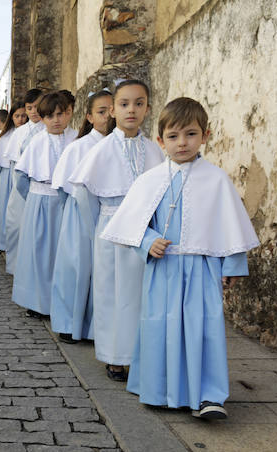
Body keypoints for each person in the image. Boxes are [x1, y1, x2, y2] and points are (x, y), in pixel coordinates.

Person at [102, 97, 259, 419]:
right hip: (164, 268)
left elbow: (231, 225)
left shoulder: (216, 179)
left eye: (190, 134)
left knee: (204, 329)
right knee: (160, 326)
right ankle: (160, 389)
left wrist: (231, 264)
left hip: (202, 268)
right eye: (173, 137)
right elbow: (133, 223)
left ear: (206, 135)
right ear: (161, 141)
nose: (182, 143)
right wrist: (147, 242)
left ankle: (208, 396)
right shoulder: (150, 180)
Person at [69, 79, 165, 381]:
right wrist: (100, 230)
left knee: (141, 294)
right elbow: (86, 197)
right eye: (124, 104)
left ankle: (140, 352)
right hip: (111, 229)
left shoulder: (154, 149)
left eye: (139, 103)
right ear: (112, 110)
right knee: (112, 292)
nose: (131, 110)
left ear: (147, 108)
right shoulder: (101, 150)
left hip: (146, 231)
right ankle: (114, 356)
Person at [49, 89, 113, 343]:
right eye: (101, 111)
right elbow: (64, 188)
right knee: (76, 268)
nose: (109, 115)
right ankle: (69, 322)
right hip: (80, 213)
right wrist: (73, 218)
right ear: (89, 116)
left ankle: (99, 327)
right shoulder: (80, 147)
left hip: (110, 215)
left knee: (105, 272)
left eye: (112, 110)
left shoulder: (121, 144)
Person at [11, 90, 77, 317]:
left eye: (61, 114)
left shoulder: (76, 140)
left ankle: (65, 303)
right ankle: (39, 302)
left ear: (69, 114)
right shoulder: (36, 141)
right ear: (43, 117)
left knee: (65, 253)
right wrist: (32, 201)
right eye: (50, 116)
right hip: (40, 201)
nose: (56, 120)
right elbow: (21, 177)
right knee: (40, 254)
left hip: (69, 202)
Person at [5, 89, 46, 273]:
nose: (33, 111)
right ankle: (16, 267)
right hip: (20, 186)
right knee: (16, 226)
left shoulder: (50, 129)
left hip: (42, 187)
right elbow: (14, 163)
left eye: (37, 107)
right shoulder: (19, 133)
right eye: (30, 108)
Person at [0, 102, 26, 252]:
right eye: (17, 116)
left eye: (24, 116)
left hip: (22, 173)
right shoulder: (5, 135)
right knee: (3, 207)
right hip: (6, 173)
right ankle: (2, 242)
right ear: (12, 117)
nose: (21, 119)